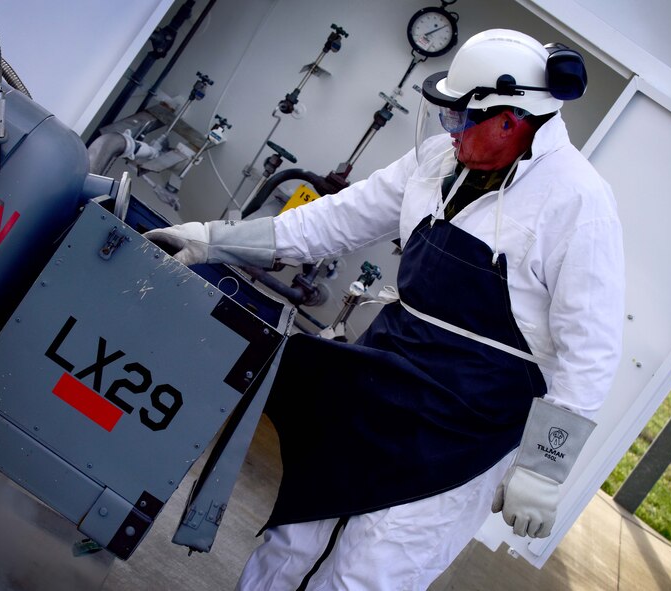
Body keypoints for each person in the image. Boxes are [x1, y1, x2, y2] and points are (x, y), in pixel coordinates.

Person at [146, 28, 625, 591]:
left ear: (509, 120)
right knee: (297, 533)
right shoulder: (437, 162)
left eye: (459, 118)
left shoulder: (578, 202)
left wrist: (543, 470)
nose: (449, 131)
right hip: (387, 373)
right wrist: (213, 240)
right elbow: (333, 221)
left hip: (471, 418)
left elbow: (591, 351)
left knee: (371, 569)